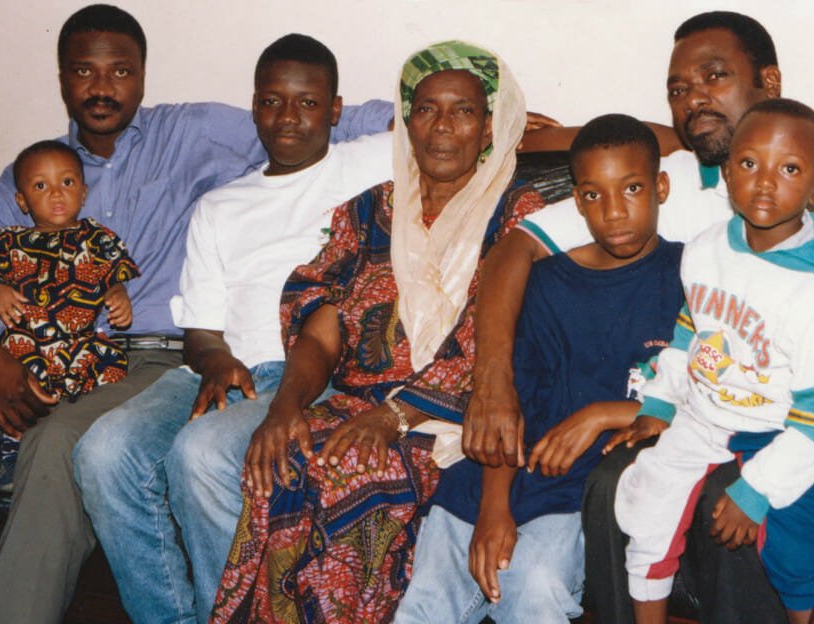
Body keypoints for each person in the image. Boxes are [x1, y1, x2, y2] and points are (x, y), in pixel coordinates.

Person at [0, 4, 392, 622]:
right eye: (84, 71)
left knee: (63, 439)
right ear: (62, 78)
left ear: (141, 76)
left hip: (147, 352)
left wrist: (454, 114)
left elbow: (317, 115)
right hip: (28, 347)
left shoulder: (193, 133)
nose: (102, 87)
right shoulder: (29, 172)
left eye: (120, 71)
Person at [463, 11, 814, 623]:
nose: (693, 99)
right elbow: (516, 247)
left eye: (714, 76)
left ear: (769, 80)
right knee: (612, 483)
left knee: (727, 504)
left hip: (800, 424)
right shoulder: (665, 180)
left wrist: (788, 411)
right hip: (691, 410)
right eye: (678, 89)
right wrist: (492, 382)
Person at [209, 41, 545, 624]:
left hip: (451, 419)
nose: (442, 127)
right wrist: (286, 406)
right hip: (353, 406)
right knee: (279, 458)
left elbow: (506, 340)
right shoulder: (365, 214)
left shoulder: (521, 216)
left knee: (357, 471)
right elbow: (319, 330)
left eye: (462, 111)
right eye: (426, 109)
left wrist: (393, 417)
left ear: (489, 127)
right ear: (406, 122)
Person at [72, 33, 394, 624]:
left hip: (311, 373)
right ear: (254, 107)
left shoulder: (368, 164)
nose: (288, 118)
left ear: (336, 110)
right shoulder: (220, 205)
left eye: (307, 103)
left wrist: (513, 122)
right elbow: (201, 328)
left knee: (200, 452)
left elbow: (449, 127)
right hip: (223, 372)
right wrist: (216, 361)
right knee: (102, 449)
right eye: (272, 102)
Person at [394, 114, 684, 624]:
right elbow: (509, 402)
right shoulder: (549, 282)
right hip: (489, 479)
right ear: (577, 202)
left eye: (632, 188)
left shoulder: (692, 276)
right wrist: (493, 509)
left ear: (661, 187)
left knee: (536, 589)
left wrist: (606, 413)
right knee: (426, 605)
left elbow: (713, 391)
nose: (614, 211)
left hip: (576, 492)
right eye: (594, 195)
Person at [610, 99, 814, 624]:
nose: (765, 183)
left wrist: (755, 490)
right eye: (749, 164)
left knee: (787, 553)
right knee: (646, 511)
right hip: (706, 415)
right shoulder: (706, 250)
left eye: (789, 169)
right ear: (727, 173)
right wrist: (661, 399)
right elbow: (692, 329)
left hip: (785, 430)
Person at [0, 140, 138, 495]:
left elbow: (118, 272)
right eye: (41, 186)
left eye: (67, 183)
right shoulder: (8, 242)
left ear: (83, 193)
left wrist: (118, 293)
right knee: (24, 395)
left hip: (81, 342)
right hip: (28, 344)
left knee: (111, 370)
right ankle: (11, 452)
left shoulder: (97, 237)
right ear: (21, 201)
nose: (56, 194)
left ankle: (87, 458)